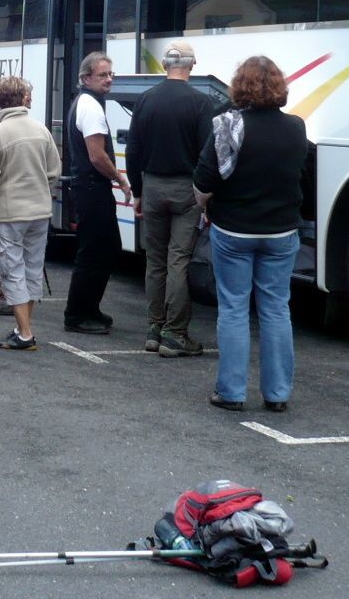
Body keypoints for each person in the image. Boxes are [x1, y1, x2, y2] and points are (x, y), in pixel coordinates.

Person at [193, 55, 314, 413]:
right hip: (281, 231)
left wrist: (205, 204)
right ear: (279, 86)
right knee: (276, 308)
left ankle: (231, 392)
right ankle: (277, 394)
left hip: (234, 230)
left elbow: (203, 181)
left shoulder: (227, 126)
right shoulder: (296, 128)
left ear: (239, 86)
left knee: (234, 308)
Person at [124, 41, 219, 356]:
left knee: (155, 260)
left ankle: (154, 327)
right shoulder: (201, 102)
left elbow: (133, 150)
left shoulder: (146, 99)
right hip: (186, 189)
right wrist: (207, 198)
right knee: (179, 259)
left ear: (164, 65)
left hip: (152, 186)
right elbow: (208, 153)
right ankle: (175, 333)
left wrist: (137, 191)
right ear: (192, 65)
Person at [0, 75, 60, 350]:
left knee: (11, 271)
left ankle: (24, 333)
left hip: (8, 213)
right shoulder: (41, 131)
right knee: (32, 268)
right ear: (24, 99)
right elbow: (53, 171)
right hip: (39, 211)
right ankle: (23, 327)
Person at [61, 52, 132, 335]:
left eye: (110, 74)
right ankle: (76, 314)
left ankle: (90, 308)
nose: (109, 79)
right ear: (86, 78)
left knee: (105, 248)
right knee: (94, 251)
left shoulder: (86, 102)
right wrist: (120, 178)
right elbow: (97, 156)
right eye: (103, 75)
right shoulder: (90, 106)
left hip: (89, 187)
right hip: (91, 188)